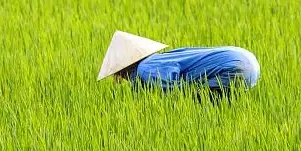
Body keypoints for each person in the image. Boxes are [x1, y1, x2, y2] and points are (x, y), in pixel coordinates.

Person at [98, 31, 260, 95]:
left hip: (231, 69)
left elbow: (176, 92)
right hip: (247, 60)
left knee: (194, 100)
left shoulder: (145, 69)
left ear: (124, 68)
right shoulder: (160, 58)